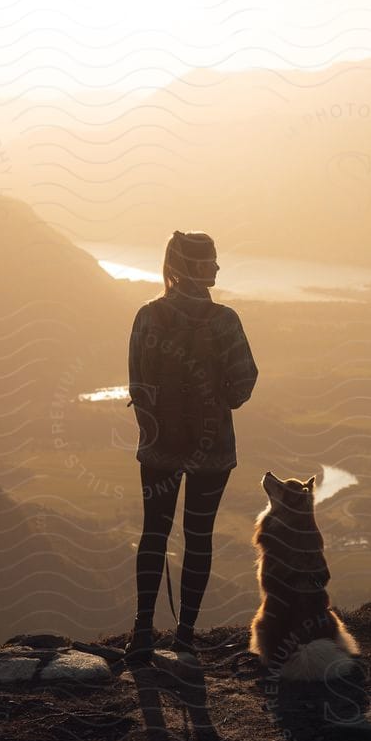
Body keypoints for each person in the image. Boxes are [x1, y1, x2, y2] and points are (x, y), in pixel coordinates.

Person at [125, 229, 258, 664]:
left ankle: (142, 634)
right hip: (213, 450)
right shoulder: (225, 322)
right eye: (211, 261)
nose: (218, 267)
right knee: (198, 537)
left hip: (160, 448)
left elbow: (137, 384)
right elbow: (242, 384)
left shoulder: (147, 316)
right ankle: (184, 637)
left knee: (154, 534)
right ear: (195, 268)